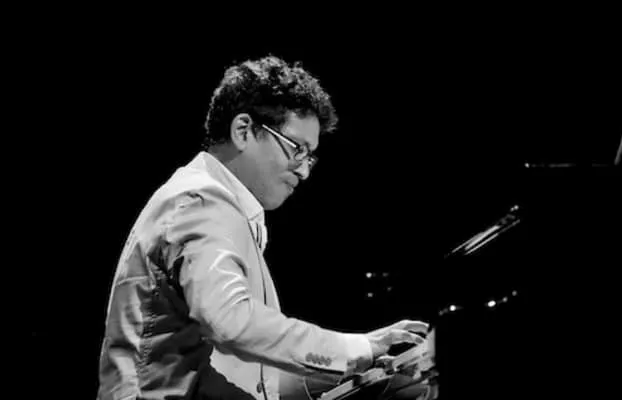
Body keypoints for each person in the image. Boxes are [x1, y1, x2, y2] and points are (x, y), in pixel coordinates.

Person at [97, 54, 429, 400]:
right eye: (296, 149)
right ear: (243, 131)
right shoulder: (200, 201)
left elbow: (251, 377)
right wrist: (353, 349)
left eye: (310, 156)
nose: (304, 171)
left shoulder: (217, 206)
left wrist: (360, 367)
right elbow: (233, 322)